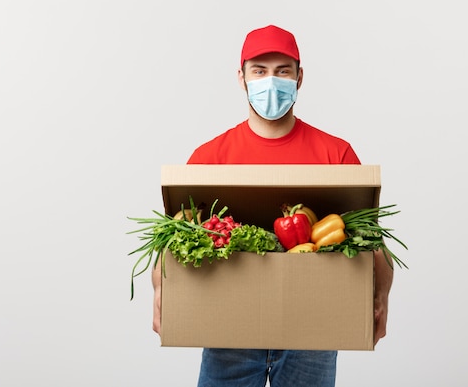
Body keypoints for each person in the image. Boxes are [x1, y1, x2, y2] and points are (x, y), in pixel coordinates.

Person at [152, 24, 394, 387]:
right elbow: (174, 241)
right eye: (260, 71)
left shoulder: (336, 155)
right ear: (241, 77)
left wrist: (380, 298)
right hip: (228, 332)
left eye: (283, 71)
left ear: (299, 77)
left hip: (313, 331)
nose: (271, 81)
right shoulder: (209, 159)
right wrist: (161, 293)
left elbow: (370, 242)